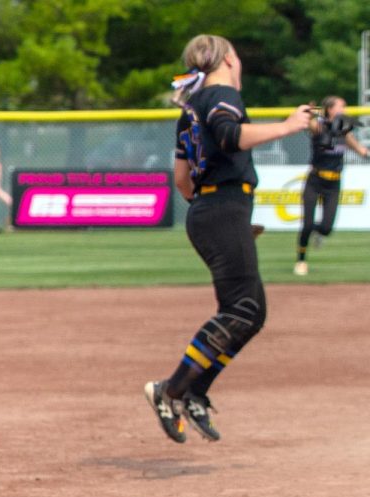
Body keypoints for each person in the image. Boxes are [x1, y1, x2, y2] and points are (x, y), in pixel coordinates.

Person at [143, 35, 310, 444]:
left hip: (211, 212)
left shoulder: (189, 110)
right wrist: (289, 126)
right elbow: (230, 135)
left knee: (251, 315)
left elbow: (182, 180)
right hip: (222, 211)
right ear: (229, 59)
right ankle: (171, 389)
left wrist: (218, 218)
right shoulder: (222, 95)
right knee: (242, 309)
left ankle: (196, 390)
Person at [294, 95, 368, 276]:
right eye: (341, 107)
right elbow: (309, 125)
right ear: (329, 109)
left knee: (326, 228)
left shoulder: (344, 130)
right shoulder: (319, 126)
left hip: (333, 183)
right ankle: (301, 261)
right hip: (315, 180)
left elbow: (360, 150)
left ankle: (318, 235)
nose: (344, 111)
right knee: (307, 224)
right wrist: (309, 114)